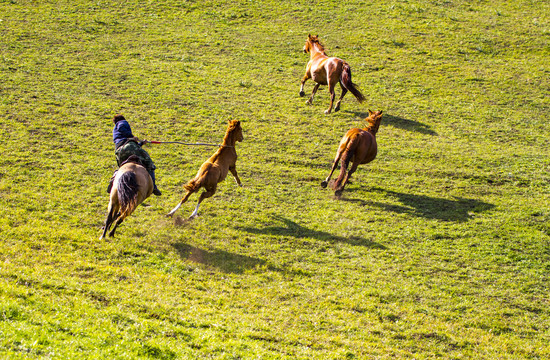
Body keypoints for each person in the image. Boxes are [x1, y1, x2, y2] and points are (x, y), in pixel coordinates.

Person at [107, 114, 161, 196]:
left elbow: (133, 147)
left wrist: (141, 143)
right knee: (149, 163)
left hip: (119, 151)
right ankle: (153, 186)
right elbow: (122, 129)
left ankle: (113, 180)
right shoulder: (122, 122)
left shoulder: (116, 133)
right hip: (129, 146)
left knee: (121, 166)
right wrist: (132, 136)